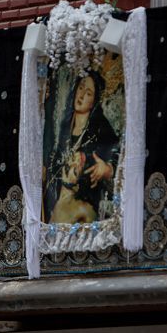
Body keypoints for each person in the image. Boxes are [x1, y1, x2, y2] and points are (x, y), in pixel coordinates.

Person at [42, 70, 119, 224]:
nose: (82, 95)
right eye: (81, 87)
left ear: (94, 101)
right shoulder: (66, 124)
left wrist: (108, 169)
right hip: (56, 203)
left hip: (83, 210)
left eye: (89, 93)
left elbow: (118, 152)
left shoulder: (100, 129)